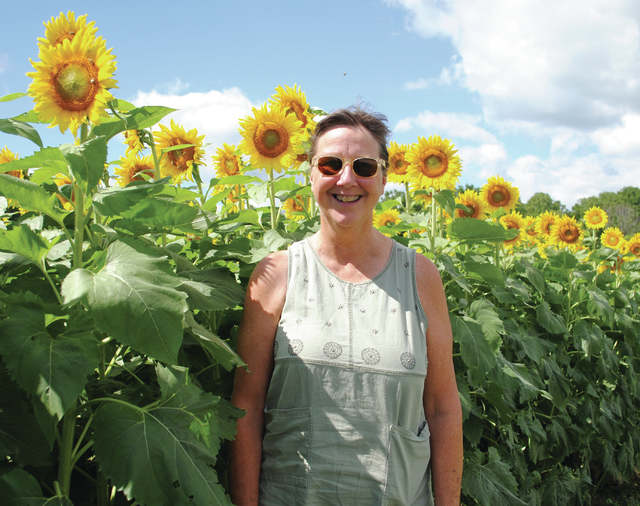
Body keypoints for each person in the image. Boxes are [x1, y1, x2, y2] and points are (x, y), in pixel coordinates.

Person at [229, 106, 463, 505]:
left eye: (365, 166)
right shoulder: (275, 276)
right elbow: (246, 408)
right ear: (311, 175)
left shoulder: (420, 276)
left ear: (384, 179)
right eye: (331, 164)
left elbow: (442, 409)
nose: (347, 178)